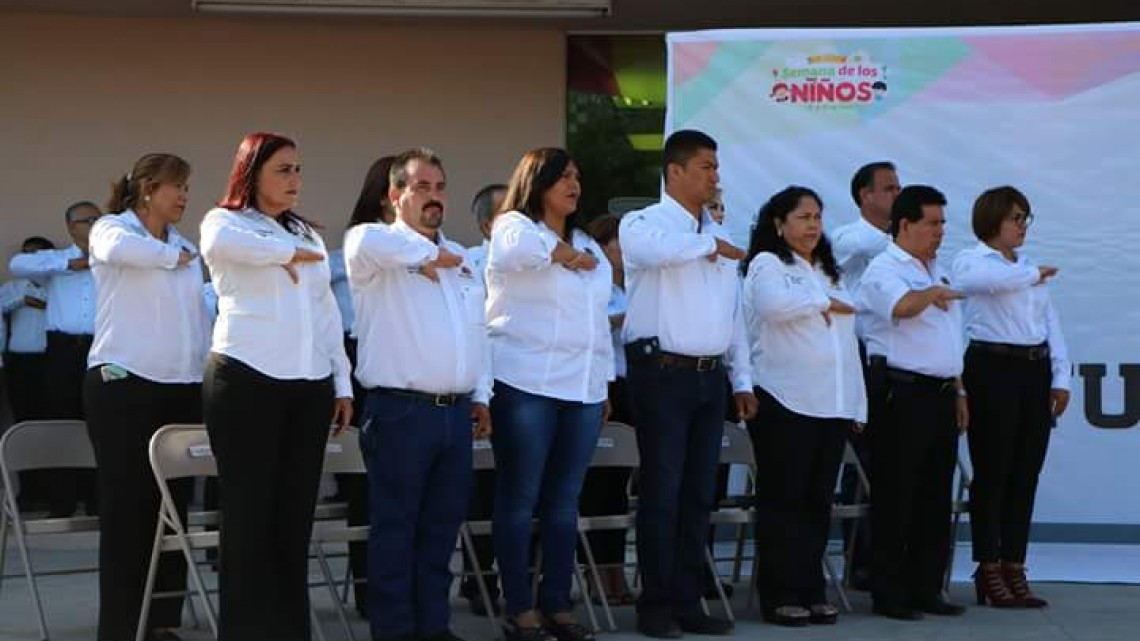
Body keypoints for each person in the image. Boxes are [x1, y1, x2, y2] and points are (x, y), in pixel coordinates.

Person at [200, 132, 353, 641]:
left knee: (293, 519)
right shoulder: (225, 220)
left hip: (308, 385)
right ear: (252, 173)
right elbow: (223, 246)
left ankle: (290, 631)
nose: (294, 180)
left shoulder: (305, 234)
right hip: (246, 379)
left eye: (297, 170)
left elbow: (326, 312)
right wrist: (286, 251)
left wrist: (342, 381)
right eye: (282, 170)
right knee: (248, 519)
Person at [344, 147, 491, 641]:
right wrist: (430, 255)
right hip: (401, 411)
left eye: (440, 187)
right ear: (395, 195)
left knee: (440, 532)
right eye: (421, 187)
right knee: (396, 530)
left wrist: (483, 395)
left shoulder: (464, 258)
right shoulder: (373, 244)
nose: (434, 197)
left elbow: (478, 332)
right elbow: (370, 244)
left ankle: (434, 627)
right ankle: (394, 631)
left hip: (454, 413)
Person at [619, 129, 757, 639]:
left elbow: (733, 314)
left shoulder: (714, 235)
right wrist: (710, 243)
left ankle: (687, 599)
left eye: (716, 167)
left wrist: (741, 378)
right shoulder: (644, 224)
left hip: (708, 376)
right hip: (661, 374)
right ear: (674, 171)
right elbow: (655, 253)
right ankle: (654, 605)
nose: (714, 176)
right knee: (663, 492)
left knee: (700, 494)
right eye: (705, 166)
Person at [486, 148, 613, 641]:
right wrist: (563, 255)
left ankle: (557, 604)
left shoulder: (589, 244)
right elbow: (519, 254)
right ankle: (518, 607)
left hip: (581, 388)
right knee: (520, 498)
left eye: (578, 176)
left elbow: (598, 322)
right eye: (563, 176)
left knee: (564, 502)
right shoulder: (514, 226)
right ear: (537, 182)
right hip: (525, 384)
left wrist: (600, 384)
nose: (573, 184)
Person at [84, 153, 211, 641]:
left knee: (172, 512)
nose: (183, 197)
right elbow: (121, 250)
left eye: (186, 188)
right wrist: (172, 258)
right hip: (123, 384)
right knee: (128, 512)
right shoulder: (113, 229)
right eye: (176, 187)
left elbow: (197, 317)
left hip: (180, 388)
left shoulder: (183, 246)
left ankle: (160, 625)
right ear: (148, 189)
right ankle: (119, 629)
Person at [739, 187, 866, 626]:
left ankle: (811, 589)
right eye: (802, 217)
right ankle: (779, 595)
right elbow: (773, 308)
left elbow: (848, 342)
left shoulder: (829, 271)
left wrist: (857, 403)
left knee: (817, 503)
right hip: (785, 400)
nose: (813, 225)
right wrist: (819, 302)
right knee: (783, 502)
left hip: (831, 404)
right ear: (779, 223)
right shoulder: (766, 264)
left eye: (817, 216)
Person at [952, 186, 1070, 608]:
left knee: (1025, 472)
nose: (1022, 226)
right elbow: (975, 283)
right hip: (991, 367)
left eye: (1025, 218)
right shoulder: (973, 259)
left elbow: (1049, 322)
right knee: (994, 471)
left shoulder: (1028, 269)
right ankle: (987, 565)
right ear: (993, 220)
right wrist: (1032, 275)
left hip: (1032, 369)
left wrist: (1061, 377)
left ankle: (1015, 564)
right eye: (1015, 217)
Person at [856, 185, 968, 621]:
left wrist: (959, 390)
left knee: (934, 497)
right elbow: (900, 308)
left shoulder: (935, 268)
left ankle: (927, 587)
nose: (940, 232)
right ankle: (889, 590)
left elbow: (949, 338)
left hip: (940, 392)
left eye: (942, 223)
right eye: (932, 223)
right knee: (897, 494)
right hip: (901, 393)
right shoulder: (884, 269)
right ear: (905, 224)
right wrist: (930, 296)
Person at [829, 161, 900, 588]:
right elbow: (860, 245)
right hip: (853, 357)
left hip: (892, 361)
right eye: (889, 189)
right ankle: (860, 562)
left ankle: (889, 558)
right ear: (864, 196)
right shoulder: (849, 239)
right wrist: (902, 237)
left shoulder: (906, 249)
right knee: (862, 461)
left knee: (890, 463)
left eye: (899, 188)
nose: (896, 195)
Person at [9, 200, 102, 517]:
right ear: (70, 227)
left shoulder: (114, 258)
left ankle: (96, 500)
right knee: (61, 421)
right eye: (85, 220)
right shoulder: (57, 260)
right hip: (63, 349)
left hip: (101, 347)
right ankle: (61, 501)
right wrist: (70, 265)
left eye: (97, 219)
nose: (92, 224)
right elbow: (18, 265)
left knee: (99, 423)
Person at [335, 153, 397, 618]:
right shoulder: (368, 239)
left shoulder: (435, 246)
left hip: (422, 374)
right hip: (369, 365)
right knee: (369, 494)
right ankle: (370, 594)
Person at [577, 212, 635, 607]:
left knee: (619, 486)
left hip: (633, 385)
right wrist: (620, 319)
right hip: (603, 382)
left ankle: (617, 570)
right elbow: (590, 325)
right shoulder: (593, 285)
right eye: (617, 243)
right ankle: (595, 573)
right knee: (596, 485)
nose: (624, 252)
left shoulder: (636, 286)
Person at [459, 181, 508, 616]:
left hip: (531, 383)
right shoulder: (470, 263)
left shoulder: (540, 260)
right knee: (484, 488)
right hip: (486, 387)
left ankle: (523, 578)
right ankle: (479, 580)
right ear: (488, 224)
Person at [2, 236, 53, 510]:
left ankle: (54, 490)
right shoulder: (11, 287)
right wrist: (22, 299)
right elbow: (3, 307)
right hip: (20, 364)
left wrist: (41, 302)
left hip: (50, 363)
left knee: (50, 424)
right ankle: (29, 492)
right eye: (28, 256)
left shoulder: (56, 285)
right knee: (24, 424)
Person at [465, 183, 507, 277]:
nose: (519, 218)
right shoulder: (467, 264)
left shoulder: (540, 256)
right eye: (508, 213)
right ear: (487, 227)